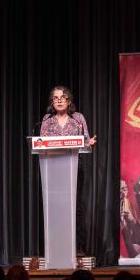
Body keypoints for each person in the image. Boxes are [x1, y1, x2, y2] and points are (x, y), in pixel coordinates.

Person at [39, 86, 96, 255]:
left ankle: (78, 247)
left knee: (75, 206)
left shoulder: (77, 118)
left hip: (74, 167)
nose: (59, 100)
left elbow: (85, 141)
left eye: (63, 97)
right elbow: (40, 145)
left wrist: (89, 143)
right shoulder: (47, 120)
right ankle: (55, 246)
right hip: (53, 168)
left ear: (69, 100)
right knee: (55, 206)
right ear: (52, 102)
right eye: (55, 98)